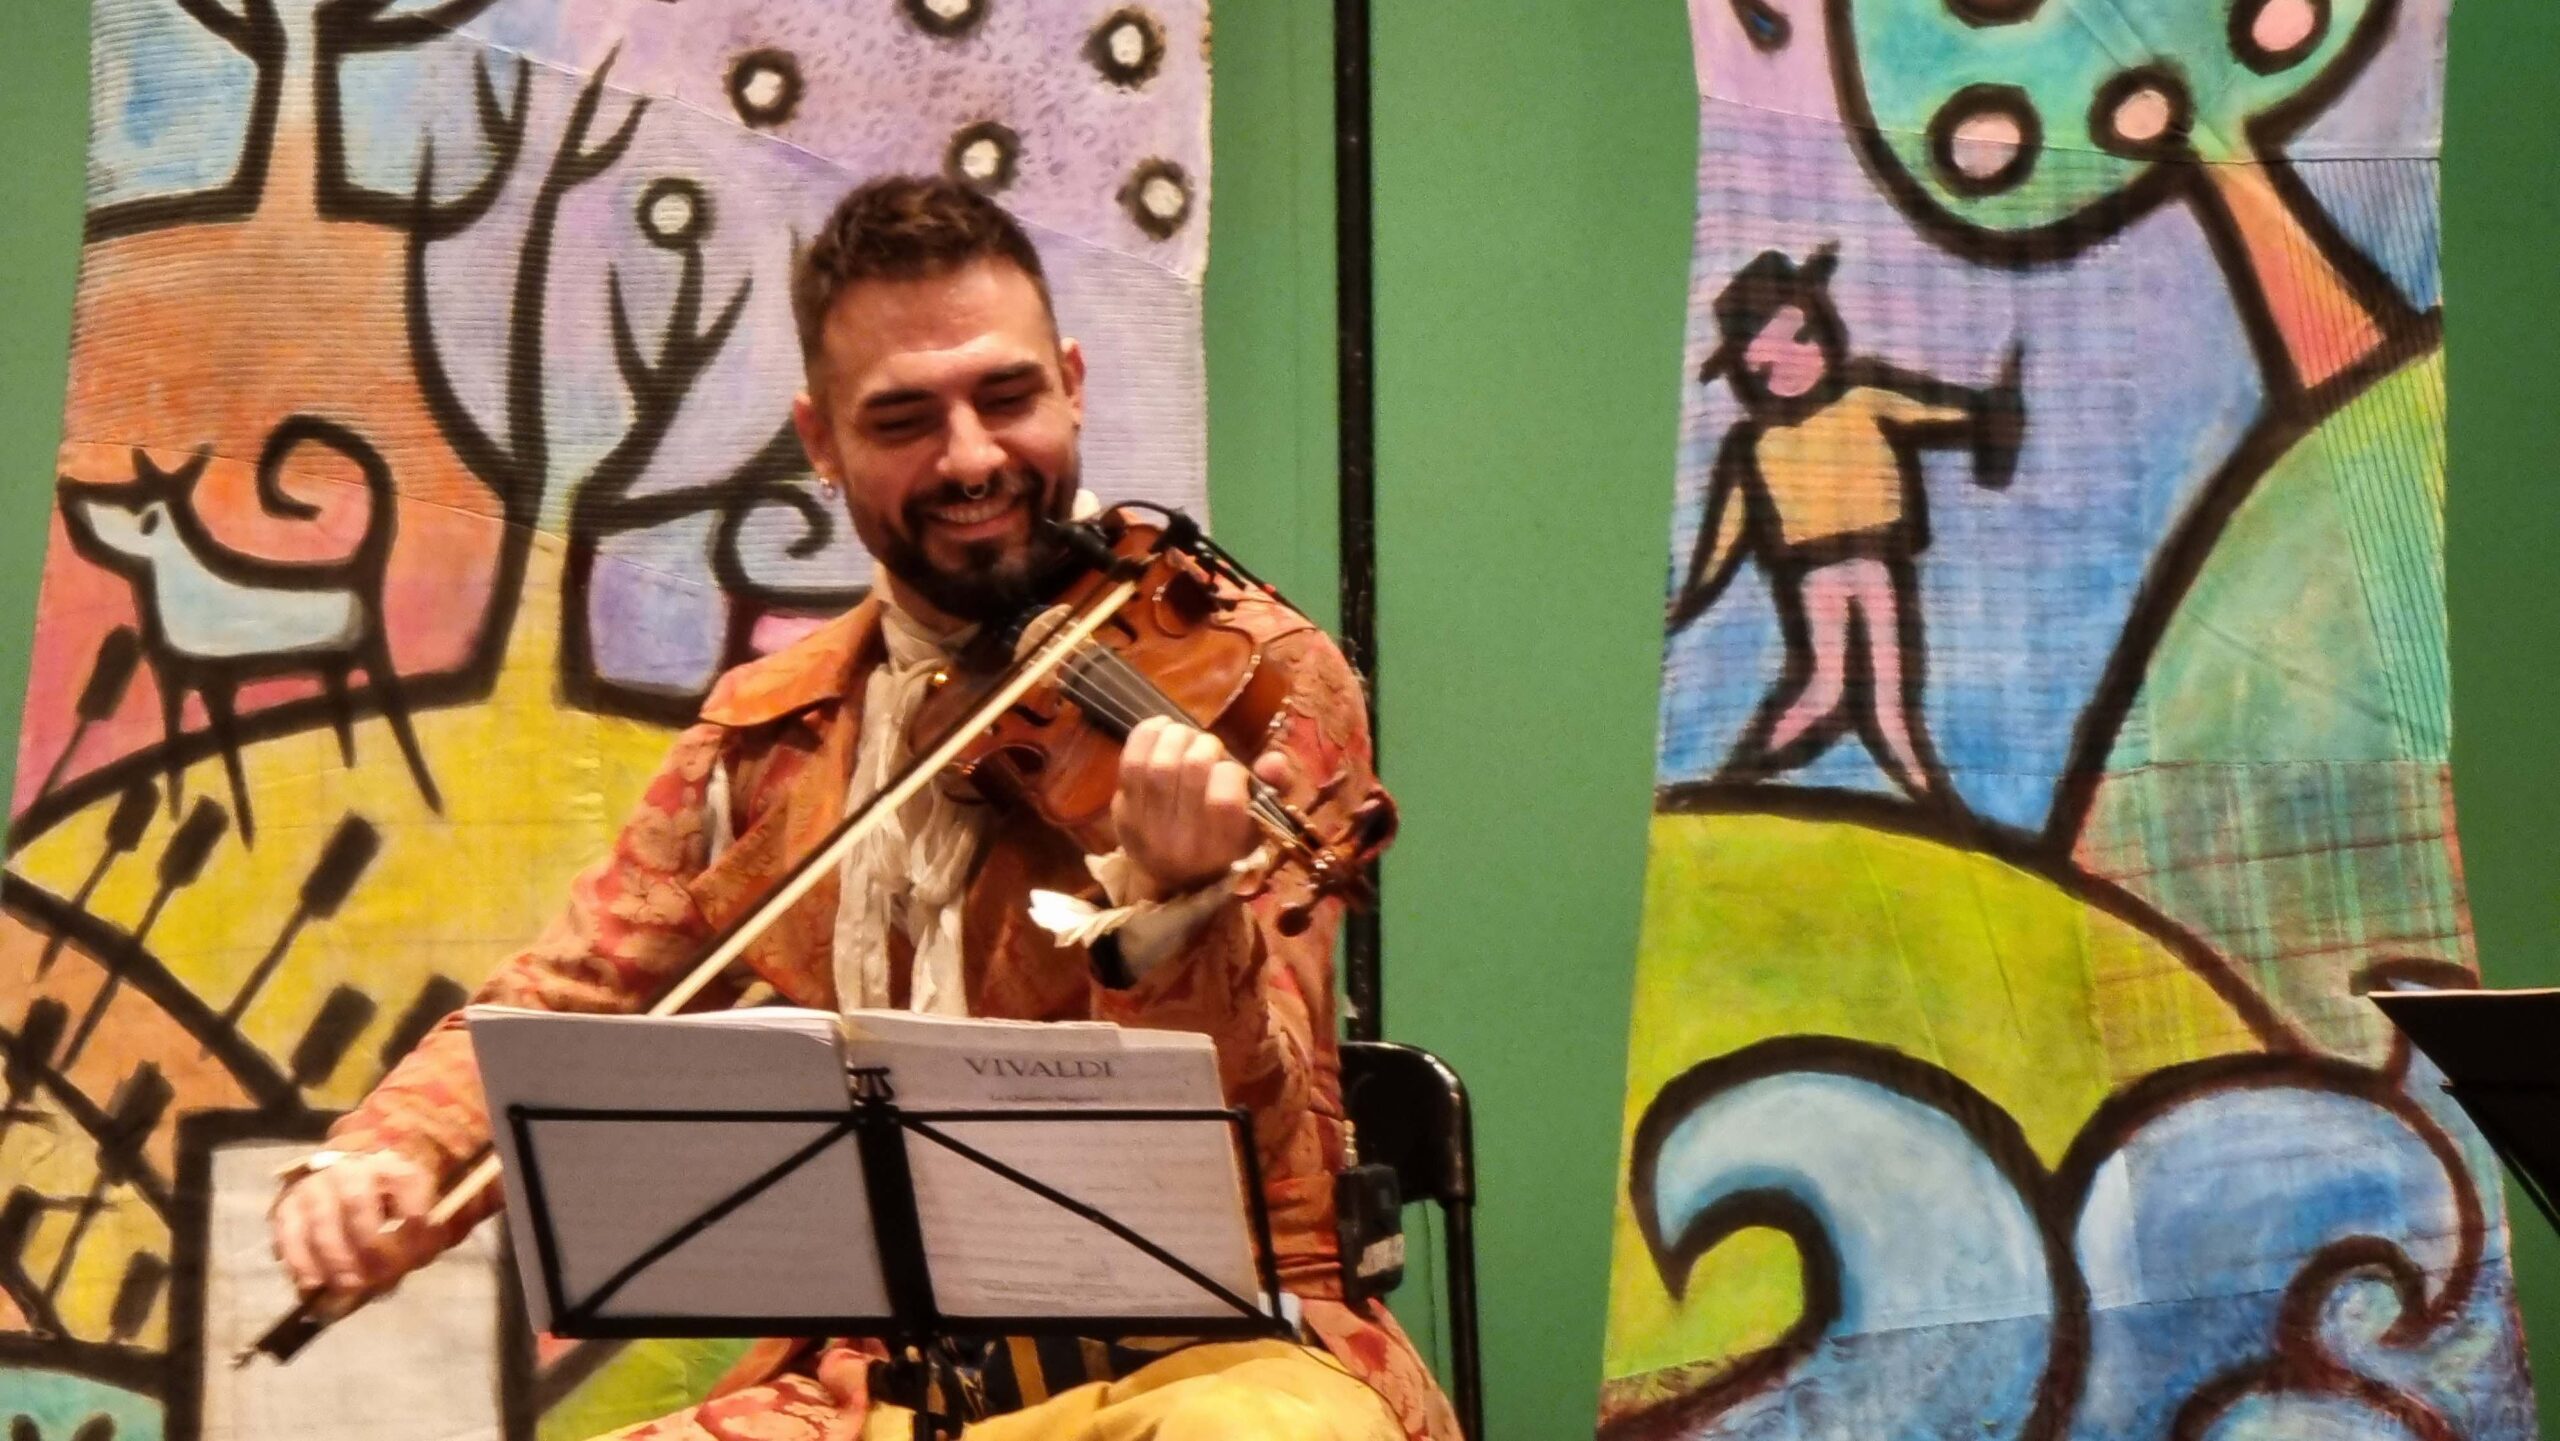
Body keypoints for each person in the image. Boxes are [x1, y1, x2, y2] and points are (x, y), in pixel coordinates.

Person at [265, 176, 1459, 1441]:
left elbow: (1261, 1135)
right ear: (821, 442)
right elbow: (563, 993)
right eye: (903, 419)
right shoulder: (773, 734)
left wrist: (1172, 917)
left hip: (1216, 1356)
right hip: (882, 1386)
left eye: (1007, 397)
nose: (972, 458)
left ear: (1071, 383)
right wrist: (385, 1153)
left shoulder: (1259, 684)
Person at [1671, 245, 2024, 803]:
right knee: (1824, 688)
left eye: (1801, 338)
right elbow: (1726, 533)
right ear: (1748, 374)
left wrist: (1993, 408)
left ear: (1822, 323)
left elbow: (1941, 410)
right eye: (1767, 367)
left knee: (1887, 702)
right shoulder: (1754, 444)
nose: (1791, 367)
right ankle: (1734, 783)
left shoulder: (1863, 397)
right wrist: (1691, 596)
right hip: (1817, 575)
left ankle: (1932, 800)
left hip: (1877, 563)